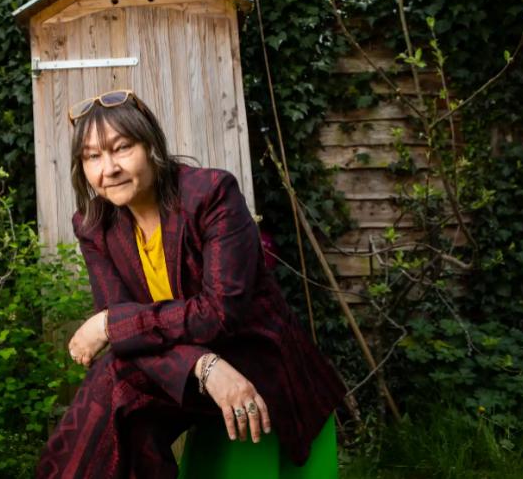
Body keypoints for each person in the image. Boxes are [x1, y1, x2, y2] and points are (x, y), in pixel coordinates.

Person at [35, 90, 345, 478]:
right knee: (126, 405)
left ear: (151, 146)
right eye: (92, 156)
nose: (108, 168)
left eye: (122, 148)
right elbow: (127, 332)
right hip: (191, 370)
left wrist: (111, 325)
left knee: (116, 377)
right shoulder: (93, 224)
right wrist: (202, 365)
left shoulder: (210, 194)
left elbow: (218, 312)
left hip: (253, 358)